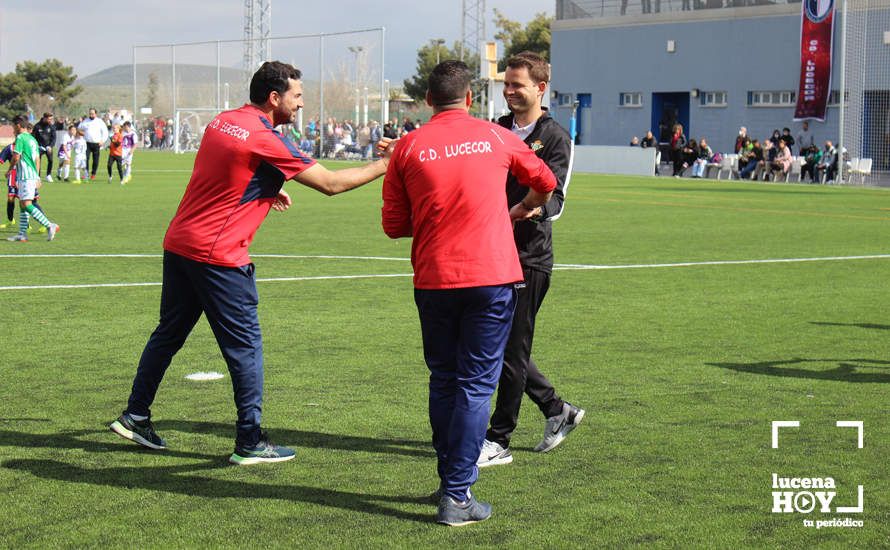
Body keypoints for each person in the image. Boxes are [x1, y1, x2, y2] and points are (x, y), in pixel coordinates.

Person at [109, 61, 394, 466]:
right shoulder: (266, 139)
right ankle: (250, 440)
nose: (300, 104)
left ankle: (135, 414)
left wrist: (264, 189)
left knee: (168, 334)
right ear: (274, 98)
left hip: (180, 243)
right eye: (296, 96)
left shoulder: (223, 121)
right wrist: (387, 164)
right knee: (245, 348)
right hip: (218, 255)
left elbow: (225, 171)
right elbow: (331, 185)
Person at [381, 60, 556, 526]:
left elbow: (394, 225)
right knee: (477, 384)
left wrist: (439, 218)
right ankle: (457, 493)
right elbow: (547, 182)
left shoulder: (407, 147)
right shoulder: (497, 137)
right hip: (491, 277)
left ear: (427, 100)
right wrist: (521, 208)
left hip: (435, 278)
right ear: (471, 98)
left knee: (444, 379)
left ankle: (450, 483)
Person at [476, 51, 584, 470]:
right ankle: (558, 410)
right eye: (506, 84)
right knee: (502, 344)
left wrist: (529, 209)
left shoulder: (555, 136)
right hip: (491, 251)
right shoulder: (496, 130)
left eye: (517, 84)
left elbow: (556, 197)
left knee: (512, 347)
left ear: (540, 88)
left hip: (529, 256)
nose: (508, 91)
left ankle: (498, 438)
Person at [6, 115, 59, 242]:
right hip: (30, 176)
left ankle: (49, 225)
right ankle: (22, 234)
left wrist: (9, 170)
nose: (13, 129)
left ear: (18, 125)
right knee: (22, 204)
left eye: (13, 126)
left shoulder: (20, 138)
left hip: (25, 176)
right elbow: (37, 159)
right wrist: (37, 176)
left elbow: (16, 157)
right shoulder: (32, 139)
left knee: (26, 204)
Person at [78, 108, 108, 180]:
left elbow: (105, 132)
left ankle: (93, 174)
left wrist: (102, 141)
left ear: (96, 114)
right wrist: (81, 132)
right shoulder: (85, 121)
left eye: (93, 113)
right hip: (87, 143)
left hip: (96, 144)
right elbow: (79, 128)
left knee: (95, 160)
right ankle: (86, 174)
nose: (91, 115)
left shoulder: (100, 122)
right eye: (90, 113)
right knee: (86, 158)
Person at [32, 112, 56, 182]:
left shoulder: (52, 126)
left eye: (51, 119)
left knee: (51, 160)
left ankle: (48, 175)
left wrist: (50, 146)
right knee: (38, 161)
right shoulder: (37, 126)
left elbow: (54, 138)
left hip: (48, 147)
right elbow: (33, 137)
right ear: (45, 118)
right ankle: (38, 176)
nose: (50, 121)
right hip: (39, 147)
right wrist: (37, 145)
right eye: (49, 119)